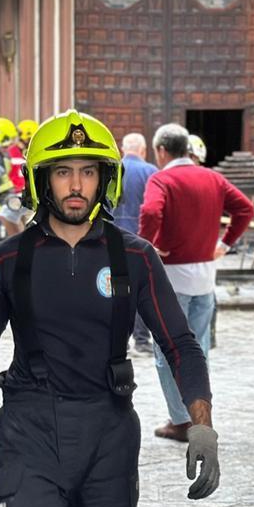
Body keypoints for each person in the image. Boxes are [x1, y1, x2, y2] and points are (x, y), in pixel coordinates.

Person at [0, 110, 219, 507]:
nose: (76, 185)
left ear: (105, 179)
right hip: (29, 434)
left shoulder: (135, 257)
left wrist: (201, 426)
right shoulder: (6, 261)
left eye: (88, 171)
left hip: (109, 434)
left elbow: (180, 345)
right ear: (42, 180)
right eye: (63, 172)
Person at [139, 123, 253, 442]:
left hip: (172, 277)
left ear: (161, 150)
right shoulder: (213, 177)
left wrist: (144, 245)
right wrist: (225, 243)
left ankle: (181, 420)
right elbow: (245, 208)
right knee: (198, 351)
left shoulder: (161, 179)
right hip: (205, 275)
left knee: (167, 351)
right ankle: (199, 417)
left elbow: (150, 211)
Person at [113, 132, 158, 355]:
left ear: (122, 149)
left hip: (112, 237)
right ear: (143, 150)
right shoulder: (151, 172)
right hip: (141, 238)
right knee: (141, 290)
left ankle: (119, 341)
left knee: (118, 289)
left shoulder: (110, 170)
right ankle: (141, 340)